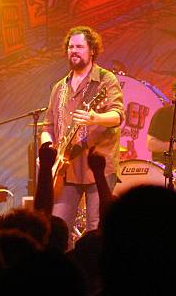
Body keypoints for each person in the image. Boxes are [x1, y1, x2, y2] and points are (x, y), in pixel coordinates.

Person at [40, 26, 124, 246]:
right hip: (65, 169)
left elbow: (117, 115)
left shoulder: (106, 80)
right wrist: (48, 149)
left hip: (98, 167)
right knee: (57, 228)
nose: (73, 51)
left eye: (79, 46)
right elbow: (48, 125)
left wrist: (95, 117)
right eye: (70, 47)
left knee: (97, 229)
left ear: (92, 50)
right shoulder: (59, 87)